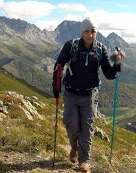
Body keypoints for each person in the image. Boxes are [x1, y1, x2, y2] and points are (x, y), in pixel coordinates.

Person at [52, 17, 125, 172]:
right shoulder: (70, 46)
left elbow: (109, 74)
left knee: (87, 127)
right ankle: (74, 147)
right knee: (71, 125)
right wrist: (56, 87)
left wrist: (117, 63)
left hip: (91, 95)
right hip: (71, 93)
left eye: (93, 31)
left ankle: (84, 161)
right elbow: (58, 66)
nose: (90, 34)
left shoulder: (100, 49)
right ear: (82, 32)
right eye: (87, 31)